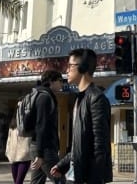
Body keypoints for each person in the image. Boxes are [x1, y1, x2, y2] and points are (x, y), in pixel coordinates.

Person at [51, 49, 112, 184]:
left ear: (83, 67)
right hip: (76, 172)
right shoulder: (79, 99)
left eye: (70, 66)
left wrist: (93, 180)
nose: (67, 70)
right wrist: (63, 164)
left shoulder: (96, 98)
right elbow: (78, 145)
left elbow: (99, 146)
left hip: (87, 176)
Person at [29, 70, 64, 184]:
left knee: (37, 181)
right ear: (51, 81)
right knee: (61, 180)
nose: (62, 84)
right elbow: (41, 126)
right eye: (60, 81)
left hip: (38, 147)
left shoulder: (40, 95)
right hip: (44, 149)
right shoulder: (45, 98)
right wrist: (40, 154)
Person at [6, 110, 32, 184]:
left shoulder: (29, 121)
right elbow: (9, 138)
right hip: (13, 155)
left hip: (25, 155)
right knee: (16, 182)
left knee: (18, 182)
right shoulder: (13, 123)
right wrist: (7, 151)